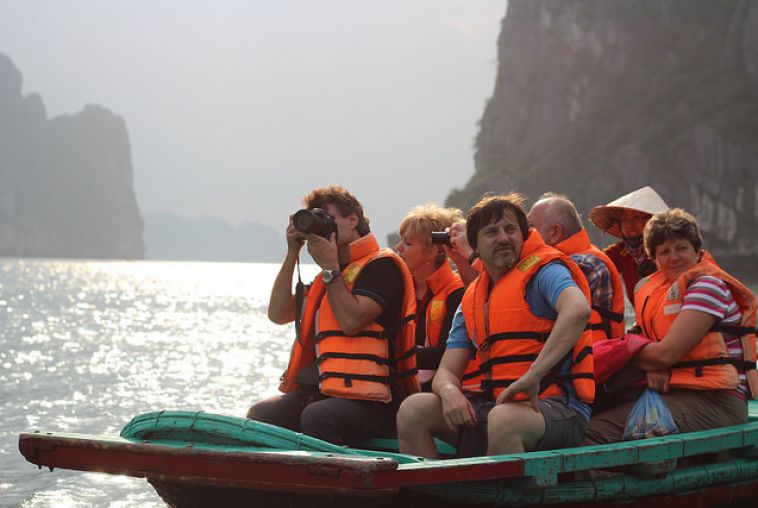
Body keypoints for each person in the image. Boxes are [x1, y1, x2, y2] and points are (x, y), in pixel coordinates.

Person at [396, 193, 594, 458]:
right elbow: (446, 371)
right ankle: (431, 492)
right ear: (475, 244)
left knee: (504, 419)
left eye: (511, 229)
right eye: (491, 232)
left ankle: (503, 495)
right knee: (413, 410)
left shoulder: (545, 271)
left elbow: (577, 309)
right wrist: (449, 391)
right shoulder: (474, 295)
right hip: (496, 405)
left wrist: (534, 375)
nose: (503, 238)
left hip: (557, 408)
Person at [246, 185, 419, 446]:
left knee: (318, 417)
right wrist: (292, 253)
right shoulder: (327, 277)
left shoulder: (382, 266)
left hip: (373, 401)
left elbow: (351, 321)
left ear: (353, 220)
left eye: (328, 218)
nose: (323, 227)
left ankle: (332, 484)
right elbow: (278, 314)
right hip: (322, 391)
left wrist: (329, 267)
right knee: (262, 415)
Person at [585, 208, 757, 444]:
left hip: (717, 400)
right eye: (664, 251)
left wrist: (643, 358)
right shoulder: (655, 290)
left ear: (697, 251)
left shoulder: (708, 287)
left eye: (681, 248)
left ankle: (612, 477)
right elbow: (642, 342)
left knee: (592, 433)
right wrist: (647, 360)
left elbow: (664, 354)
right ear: (654, 259)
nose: (674, 257)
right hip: (676, 392)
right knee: (586, 418)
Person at [528, 193, 625, 342]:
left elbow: (535, 306)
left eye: (531, 227)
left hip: (593, 360)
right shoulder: (571, 257)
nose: (526, 234)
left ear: (554, 232)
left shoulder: (586, 264)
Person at [395, 205, 466, 391]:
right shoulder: (399, 290)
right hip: (404, 384)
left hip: (442, 389)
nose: (398, 248)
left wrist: (390, 355)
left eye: (408, 244)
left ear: (434, 250)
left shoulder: (457, 292)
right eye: (401, 241)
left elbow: (444, 354)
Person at [588, 186, 668, 304]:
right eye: (625, 219)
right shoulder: (622, 252)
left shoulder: (670, 249)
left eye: (636, 217)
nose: (629, 225)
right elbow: (596, 263)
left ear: (651, 221)